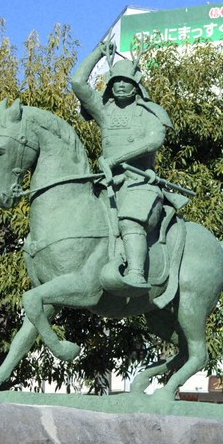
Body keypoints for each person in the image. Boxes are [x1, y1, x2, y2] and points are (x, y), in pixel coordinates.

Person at [71, 40, 172, 295]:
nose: (120, 85)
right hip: (107, 183)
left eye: (126, 81)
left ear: (136, 85)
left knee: (129, 221)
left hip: (140, 184)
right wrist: (96, 52)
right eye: (115, 81)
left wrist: (117, 159)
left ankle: (136, 273)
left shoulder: (150, 112)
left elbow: (154, 140)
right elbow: (79, 84)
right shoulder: (105, 111)